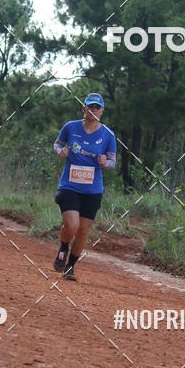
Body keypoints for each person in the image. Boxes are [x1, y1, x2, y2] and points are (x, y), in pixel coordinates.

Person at [53, 93, 116, 281]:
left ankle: (70, 267)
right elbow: (57, 144)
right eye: (90, 107)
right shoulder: (70, 127)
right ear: (84, 108)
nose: (93, 111)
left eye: (97, 107)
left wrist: (105, 162)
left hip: (92, 190)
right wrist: (60, 152)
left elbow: (113, 162)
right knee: (72, 225)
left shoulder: (108, 135)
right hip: (69, 186)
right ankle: (64, 245)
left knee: (82, 231)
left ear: (102, 111)